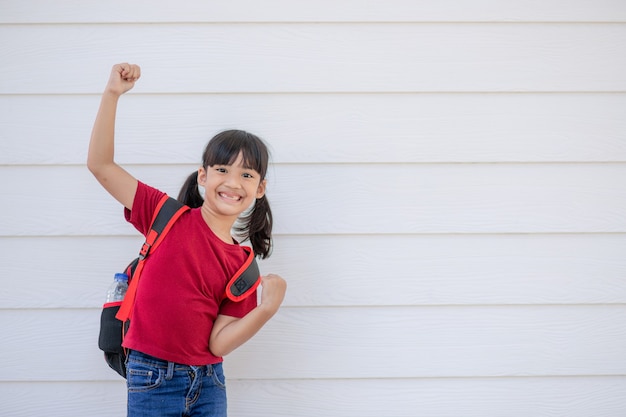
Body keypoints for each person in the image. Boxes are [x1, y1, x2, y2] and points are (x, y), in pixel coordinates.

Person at [88, 63, 287, 417]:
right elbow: (101, 165)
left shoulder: (243, 265)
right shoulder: (165, 215)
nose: (232, 182)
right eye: (223, 170)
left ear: (259, 188)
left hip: (210, 383)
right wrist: (112, 94)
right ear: (203, 175)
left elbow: (218, 342)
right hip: (151, 377)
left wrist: (266, 310)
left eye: (246, 174)